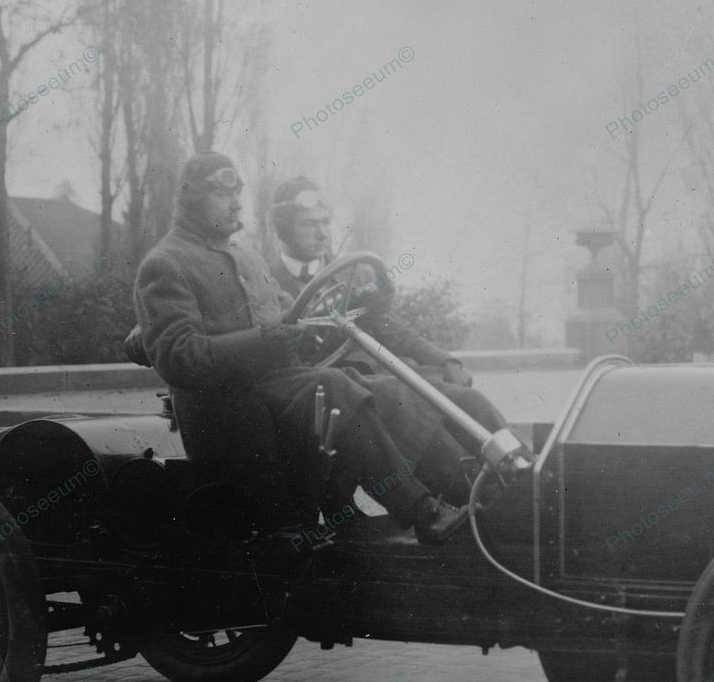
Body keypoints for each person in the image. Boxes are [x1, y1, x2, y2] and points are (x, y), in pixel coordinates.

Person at [131, 152, 468, 544]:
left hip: (275, 391)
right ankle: (421, 509)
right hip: (226, 406)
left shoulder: (246, 257)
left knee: (386, 390)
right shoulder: (165, 263)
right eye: (223, 195)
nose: (237, 203)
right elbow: (178, 356)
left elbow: (288, 317)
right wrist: (265, 341)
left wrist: (356, 303)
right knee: (333, 385)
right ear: (190, 198)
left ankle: (465, 490)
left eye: (238, 193)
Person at [267, 176, 510, 446]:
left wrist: (445, 360)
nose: (323, 233)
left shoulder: (349, 274)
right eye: (309, 224)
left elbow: (387, 327)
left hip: (386, 378)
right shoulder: (267, 284)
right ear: (283, 230)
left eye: (325, 222)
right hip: (347, 394)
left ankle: (527, 476)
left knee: (472, 403)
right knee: (438, 442)